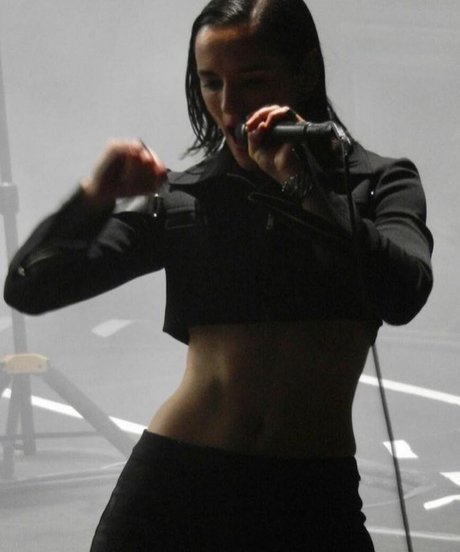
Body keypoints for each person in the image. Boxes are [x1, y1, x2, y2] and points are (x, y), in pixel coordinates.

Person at [4, 0, 433, 550]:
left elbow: (404, 293)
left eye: (252, 81)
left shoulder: (378, 184)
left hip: (311, 493)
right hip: (175, 486)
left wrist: (303, 187)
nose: (228, 107)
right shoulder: (187, 195)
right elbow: (30, 286)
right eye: (211, 83)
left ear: (303, 72)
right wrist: (92, 198)